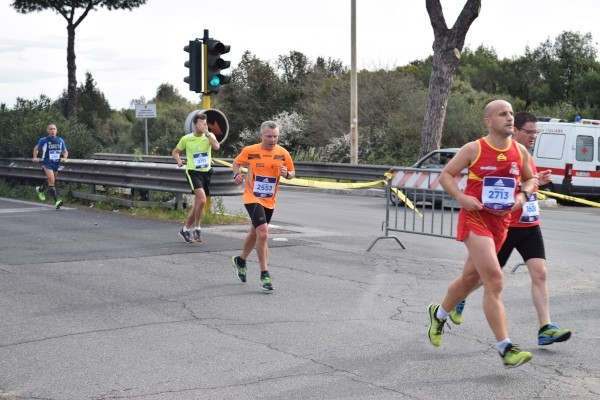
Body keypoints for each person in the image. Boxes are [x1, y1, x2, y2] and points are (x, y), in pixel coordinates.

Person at [427, 100, 538, 368]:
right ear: (488, 122)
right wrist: (461, 197)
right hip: (474, 218)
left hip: (501, 223)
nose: (510, 118)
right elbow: (446, 176)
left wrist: (522, 197)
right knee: (494, 280)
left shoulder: (519, 151)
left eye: (511, 113)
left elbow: (530, 179)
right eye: (503, 114)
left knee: (469, 279)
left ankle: (439, 314)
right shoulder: (474, 148)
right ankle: (505, 347)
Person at [449, 112, 571, 346]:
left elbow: (526, 182)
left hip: (529, 224)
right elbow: (500, 182)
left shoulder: (524, 154)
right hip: (505, 224)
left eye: (536, 132)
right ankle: (457, 298)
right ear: (516, 131)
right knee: (483, 278)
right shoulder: (500, 151)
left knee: (540, 272)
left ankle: (545, 327)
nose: (534, 136)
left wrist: (537, 181)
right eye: (529, 131)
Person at [230, 121, 295, 291]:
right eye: (269, 136)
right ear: (261, 136)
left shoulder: (282, 153)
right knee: (264, 233)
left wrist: (287, 174)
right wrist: (237, 174)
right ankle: (264, 274)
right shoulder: (250, 151)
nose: (272, 140)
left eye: (275, 136)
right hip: (252, 197)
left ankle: (241, 260)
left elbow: (292, 173)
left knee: (255, 233)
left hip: (270, 200)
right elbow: (236, 163)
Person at [172, 113, 220, 243]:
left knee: (198, 203)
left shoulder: (209, 136)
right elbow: (175, 152)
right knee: (202, 200)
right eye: (200, 124)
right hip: (193, 172)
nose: (203, 126)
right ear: (194, 124)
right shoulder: (186, 138)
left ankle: (185, 229)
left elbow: (216, 146)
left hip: (206, 172)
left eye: (205, 124)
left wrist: (207, 133)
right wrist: (178, 161)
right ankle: (197, 229)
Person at [32, 124, 68, 209]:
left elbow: (65, 151)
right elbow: (36, 149)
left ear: (56, 130)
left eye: (54, 129)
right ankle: (56, 201)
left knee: (50, 180)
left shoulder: (60, 140)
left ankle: (40, 189)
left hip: (56, 163)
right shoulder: (43, 140)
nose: (52, 130)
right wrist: (35, 157)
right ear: (48, 131)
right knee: (52, 181)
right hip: (47, 163)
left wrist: (65, 158)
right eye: (51, 129)